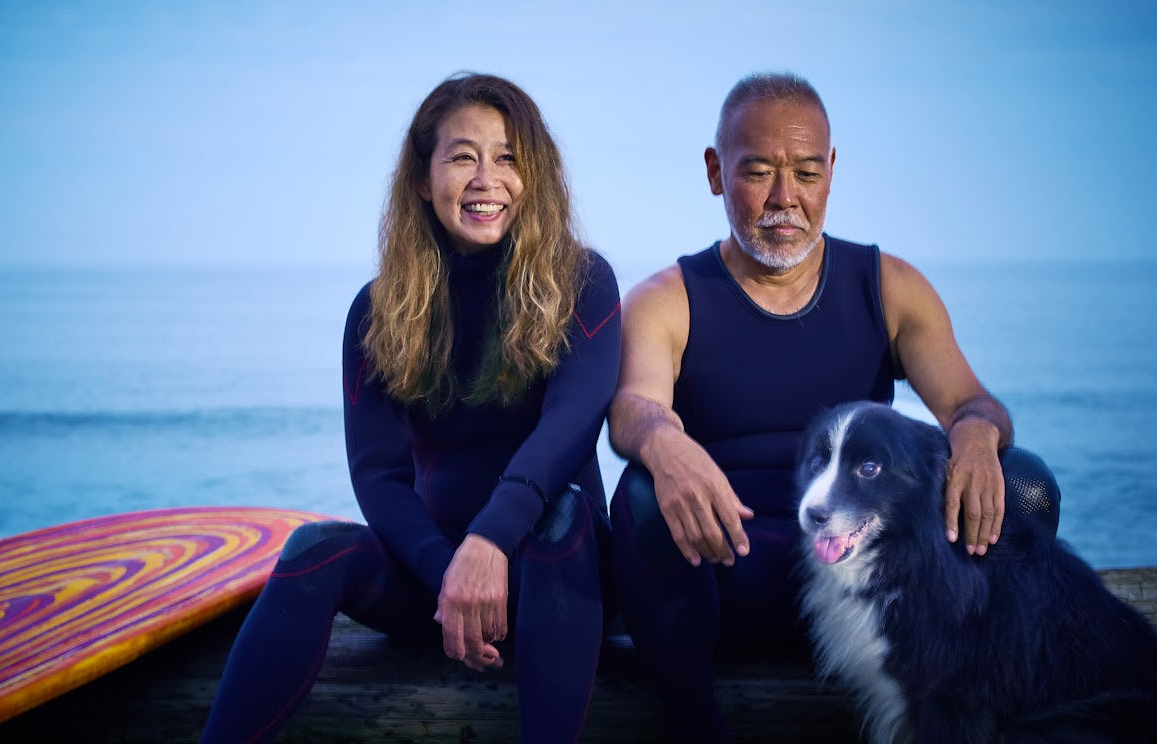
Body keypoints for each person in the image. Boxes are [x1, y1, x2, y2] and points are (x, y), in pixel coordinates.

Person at [606, 71, 1060, 741]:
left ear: (832, 172)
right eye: (758, 172)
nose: (785, 199)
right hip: (737, 571)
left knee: (1024, 489)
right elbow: (634, 406)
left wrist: (972, 435)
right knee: (640, 498)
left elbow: (972, 402)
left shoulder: (890, 286)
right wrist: (663, 442)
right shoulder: (668, 298)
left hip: (874, 576)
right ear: (715, 171)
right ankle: (693, 726)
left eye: (807, 174)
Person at [200, 72, 621, 743]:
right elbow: (379, 476)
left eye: (509, 158)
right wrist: (447, 570)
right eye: (463, 157)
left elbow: (570, 427)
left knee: (562, 512)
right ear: (424, 180)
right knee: (313, 550)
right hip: (438, 579)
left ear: (533, 177)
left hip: (558, 575)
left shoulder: (581, 282)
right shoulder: (378, 310)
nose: (487, 178)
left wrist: (488, 541)